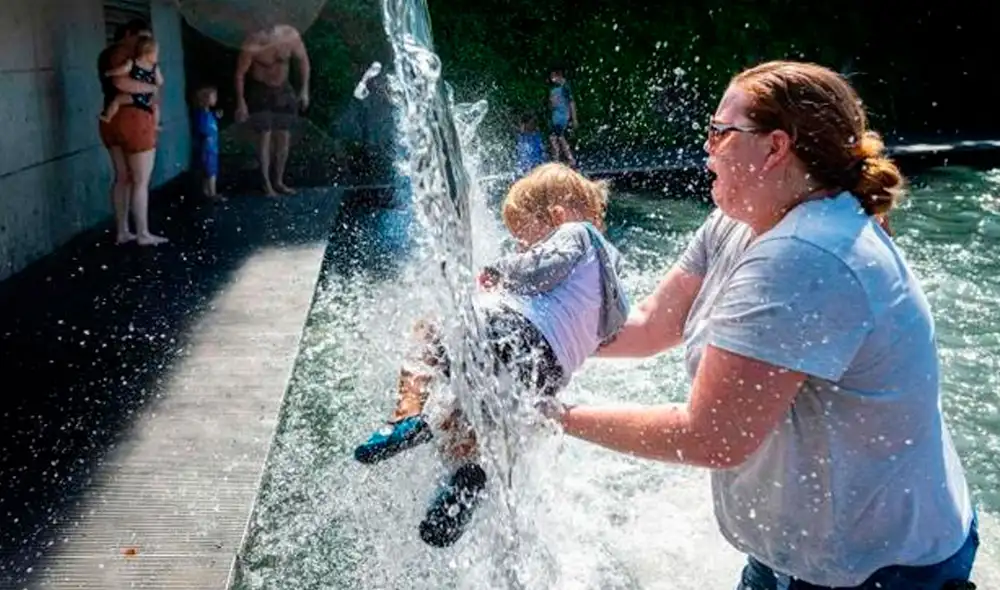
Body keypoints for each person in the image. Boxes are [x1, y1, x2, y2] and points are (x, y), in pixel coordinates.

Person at [541, 61, 979, 590]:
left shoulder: (807, 256)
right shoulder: (738, 219)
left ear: (775, 148)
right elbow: (649, 324)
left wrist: (549, 413)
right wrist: (531, 339)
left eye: (721, 132)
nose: (707, 146)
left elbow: (711, 436)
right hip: (801, 559)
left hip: (885, 573)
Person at [353, 163, 630, 549]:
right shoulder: (611, 291)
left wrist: (499, 271)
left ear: (556, 216)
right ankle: (467, 474)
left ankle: (405, 415)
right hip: (543, 376)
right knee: (461, 415)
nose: (521, 248)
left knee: (428, 329)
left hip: (513, 338)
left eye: (524, 240)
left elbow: (544, 266)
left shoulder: (575, 233)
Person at [98, 20, 168, 246]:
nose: (144, 45)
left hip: (112, 119)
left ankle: (123, 231)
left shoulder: (106, 54)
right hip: (135, 118)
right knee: (140, 180)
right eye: (141, 39)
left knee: (122, 177)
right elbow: (122, 82)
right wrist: (151, 88)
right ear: (129, 34)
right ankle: (143, 233)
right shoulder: (125, 53)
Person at [234, 22, 310, 197]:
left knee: (284, 137)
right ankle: (266, 183)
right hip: (261, 91)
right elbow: (240, 74)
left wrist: (304, 89)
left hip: (284, 90)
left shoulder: (290, 35)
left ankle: (279, 180)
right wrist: (241, 102)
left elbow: (303, 60)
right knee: (264, 137)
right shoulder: (253, 42)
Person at [100, 36, 163, 130]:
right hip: (147, 97)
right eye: (156, 54)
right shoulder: (154, 68)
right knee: (156, 108)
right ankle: (155, 125)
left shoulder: (133, 63)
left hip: (135, 96)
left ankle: (108, 117)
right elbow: (160, 81)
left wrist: (109, 73)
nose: (157, 57)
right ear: (148, 54)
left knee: (117, 100)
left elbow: (122, 70)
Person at [193, 85, 223, 200]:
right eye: (213, 97)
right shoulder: (202, 115)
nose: (215, 99)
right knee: (211, 171)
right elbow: (203, 130)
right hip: (208, 147)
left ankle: (207, 192)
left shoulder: (208, 114)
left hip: (211, 147)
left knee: (209, 170)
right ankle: (212, 193)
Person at [547, 67, 578, 168]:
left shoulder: (565, 87)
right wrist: (551, 103)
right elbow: (551, 105)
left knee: (557, 137)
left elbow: (571, 102)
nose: (552, 78)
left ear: (559, 75)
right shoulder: (553, 89)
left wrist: (574, 118)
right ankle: (560, 159)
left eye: (553, 76)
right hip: (555, 118)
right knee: (556, 138)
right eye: (551, 77)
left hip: (562, 117)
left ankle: (565, 159)